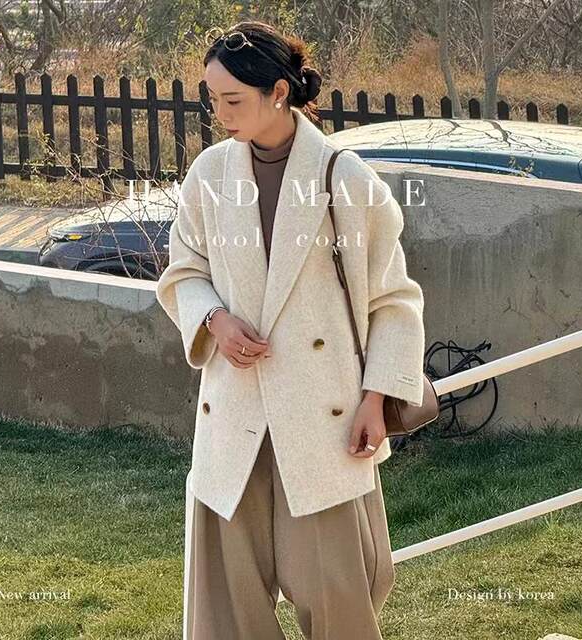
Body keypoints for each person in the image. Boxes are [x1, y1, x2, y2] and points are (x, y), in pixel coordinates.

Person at [156, 20, 426, 639]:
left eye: (232, 100)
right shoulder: (209, 175)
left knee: (339, 600)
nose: (219, 114)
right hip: (235, 413)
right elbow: (183, 272)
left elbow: (394, 301)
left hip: (323, 416)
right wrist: (214, 320)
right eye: (212, 98)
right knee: (225, 610)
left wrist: (376, 397)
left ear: (279, 92)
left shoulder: (345, 179)